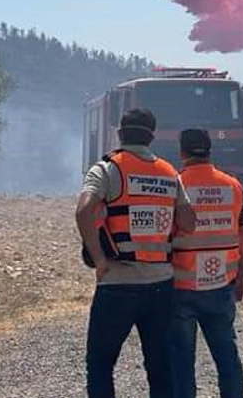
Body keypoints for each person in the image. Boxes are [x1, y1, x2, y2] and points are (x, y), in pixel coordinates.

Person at [76, 108, 196, 398]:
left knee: (101, 364)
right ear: (151, 136)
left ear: (120, 132)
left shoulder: (107, 168)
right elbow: (189, 223)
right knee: (160, 367)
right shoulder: (170, 173)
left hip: (117, 283)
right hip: (160, 285)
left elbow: (83, 211)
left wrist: (99, 258)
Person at [168, 128, 243, 398]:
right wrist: (242, 274)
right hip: (221, 285)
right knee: (227, 355)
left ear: (181, 152)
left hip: (181, 286)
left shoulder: (175, 185)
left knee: (181, 362)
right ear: (209, 151)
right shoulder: (233, 185)